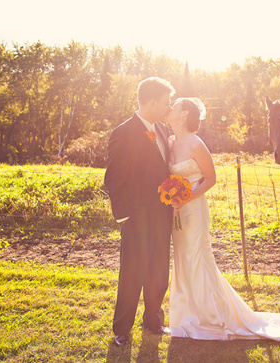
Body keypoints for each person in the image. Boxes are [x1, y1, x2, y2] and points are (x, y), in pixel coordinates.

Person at [165, 97, 280, 342]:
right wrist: (172, 199)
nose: (169, 109)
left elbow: (211, 178)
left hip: (194, 209)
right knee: (182, 261)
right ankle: (185, 316)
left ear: (184, 113)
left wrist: (185, 198)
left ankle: (211, 316)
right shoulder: (169, 142)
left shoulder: (196, 144)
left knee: (198, 258)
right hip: (177, 212)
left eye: (174, 106)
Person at [104, 77, 175, 347]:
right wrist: (123, 216)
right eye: (166, 103)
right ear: (152, 101)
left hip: (161, 215)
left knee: (158, 270)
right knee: (132, 272)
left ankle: (154, 320)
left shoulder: (161, 127)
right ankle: (122, 328)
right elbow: (113, 178)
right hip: (135, 218)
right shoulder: (123, 132)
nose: (168, 108)